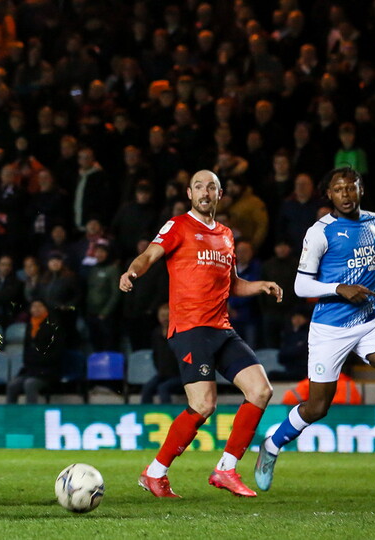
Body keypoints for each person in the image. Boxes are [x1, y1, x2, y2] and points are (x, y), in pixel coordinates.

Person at [120, 170, 283, 498]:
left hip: (222, 328)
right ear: (190, 194)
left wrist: (259, 286)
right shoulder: (178, 226)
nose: (205, 191)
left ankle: (225, 469)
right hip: (191, 329)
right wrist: (132, 271)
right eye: (198, 186)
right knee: (204, 404)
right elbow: (149, 255)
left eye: (211, 186)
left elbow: (233, 283)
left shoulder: (225, 234)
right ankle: (156, 473)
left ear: (220, 194)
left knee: (261, 390)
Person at [254, 167, 375, 490]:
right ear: (329, 195)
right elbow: (299, 285)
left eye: (351, 188)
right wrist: (338, 288)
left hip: (369, 320)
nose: (346, 195)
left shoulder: (373, 221)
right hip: (331, 328)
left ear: (361, 189)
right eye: (338, 190)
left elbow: (371, 265)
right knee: (318, 406)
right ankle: (272, 444)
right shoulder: (320, 231)